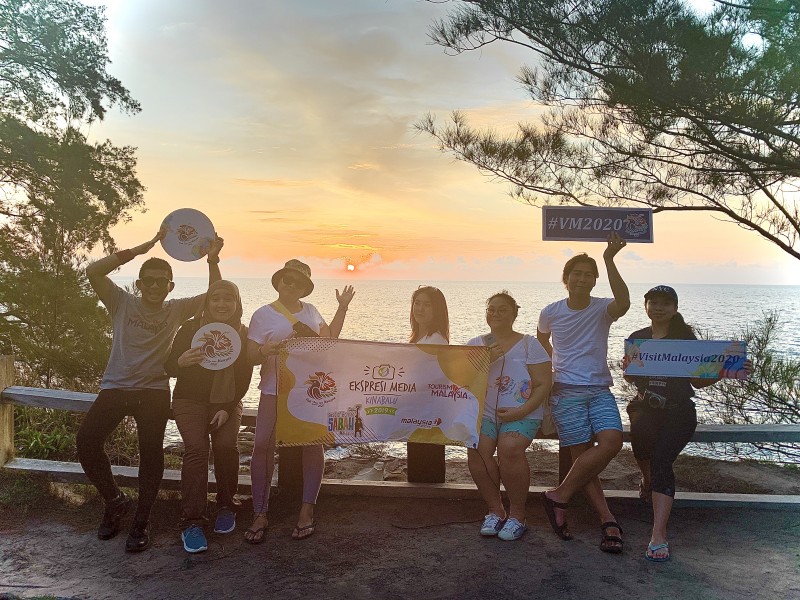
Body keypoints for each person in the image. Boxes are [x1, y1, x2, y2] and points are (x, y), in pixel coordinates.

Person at [77, 230, 223, 552]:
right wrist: (139, 249)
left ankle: (142, 519)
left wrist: (212, 260)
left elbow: (216, 296)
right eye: (149, 281)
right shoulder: (121, 302)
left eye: (162, 282)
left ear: (171, 286)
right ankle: (115, 501)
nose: (155, 286)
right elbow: (93, 271)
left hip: (154, 390)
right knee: (86, 442)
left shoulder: (176, 309)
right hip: (116, 387)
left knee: (151, 455)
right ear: (139, 284)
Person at [624, 285, 748, 562]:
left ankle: (658, 534)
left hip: (678, 412)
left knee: (661, 461)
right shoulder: (637, 338)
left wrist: (725, 370)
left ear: (675, 308)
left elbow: (698, 381)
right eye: (653, 302)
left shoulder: (687, 339)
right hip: (645, 407)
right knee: (641, 442)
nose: (659, 307)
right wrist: (629, 368)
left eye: (665, 303)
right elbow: (632, 378)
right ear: (646, 306)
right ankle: (647, 480)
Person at [245, 259, 355, 543]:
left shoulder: (312, 311)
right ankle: (260, 512)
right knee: (262, 446)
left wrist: (342, 307)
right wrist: (265, 351)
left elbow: (330, 340)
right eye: (288, 279)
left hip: (308, 391)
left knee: (312, 446)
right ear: (279, 282)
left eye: (299, 282)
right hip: (274, 390)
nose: (292, 285)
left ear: (306, 287)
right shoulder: (262, 315)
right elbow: (250, 355)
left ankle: (307, 510)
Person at [537, 233, 629, 553]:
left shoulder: (603, 309)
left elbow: (624, 302)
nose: (582, 278)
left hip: (599, 389)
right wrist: (552, 368)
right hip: (566, 391)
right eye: (576, 273)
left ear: (594, 280)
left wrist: (609, 258)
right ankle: (607, 520)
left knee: (612, 441)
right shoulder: (550, 312)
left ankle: (558, 495)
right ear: (566, 279)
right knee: (582, 460)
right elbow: (541, 342)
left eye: (588, 274)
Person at [165, 280, 253, 554]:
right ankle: (192, 520)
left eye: (228, 299)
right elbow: (169, 367)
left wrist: (227, 407)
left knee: (226, 445)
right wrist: (181, 362)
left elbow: (244, 377)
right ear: (207, 302)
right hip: (189, 400)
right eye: (216, 299)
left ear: (237, 304)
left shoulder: (243, 334)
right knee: (197, 449)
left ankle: (226, 504)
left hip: (227, 401)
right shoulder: (190, 329)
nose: (222, 304)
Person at [466, 291, 552, 541]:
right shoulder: (475, 343)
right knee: (477, 449)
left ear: (514, 314)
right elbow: (464, 380)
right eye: (491, 309)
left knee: (510, 448)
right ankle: (495, 510)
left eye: (502, 309)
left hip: (524, 412)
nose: (496, 314)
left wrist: (522, 411)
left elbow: (543, 383)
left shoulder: (529, 344)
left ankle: (518, 515)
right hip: (485, 413)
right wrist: (485, 359)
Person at [407, 286, 450, 482]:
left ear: (437, 310)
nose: (420, 309)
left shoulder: (436, 339)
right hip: (416, 409)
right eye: (417, 303)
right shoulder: (417, 337)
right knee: (417, 460)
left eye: (427, 305)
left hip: (429, 410)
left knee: (428, 463)